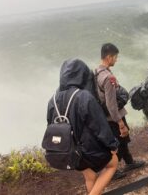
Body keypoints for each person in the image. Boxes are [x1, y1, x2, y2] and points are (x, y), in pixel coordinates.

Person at [46, 59, 119, 195]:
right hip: (88, 150)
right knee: (113, 163)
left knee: (90, 176)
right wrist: (112, 145)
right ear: (83, 75)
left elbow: (50, 125)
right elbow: (99, 126)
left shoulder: (53, 99)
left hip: (69, 151)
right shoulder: (84, 96)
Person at [95, 43, 145, 179]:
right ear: (109, 57)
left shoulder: (96, 72)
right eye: (116, 57)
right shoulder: (107, 77)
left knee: (122, 141)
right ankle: (111, 170)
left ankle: (129, 162)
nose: (116, 60)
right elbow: (111, 104)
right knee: (117, 144)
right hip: (114, 117)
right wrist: (120, 122)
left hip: (105, 116)